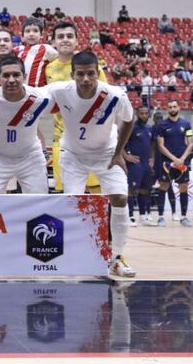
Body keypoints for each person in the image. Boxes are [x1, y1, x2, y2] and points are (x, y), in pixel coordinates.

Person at [44, 51, 135, 277]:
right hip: (73, 155)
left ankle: (117, 257)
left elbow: (129, 119)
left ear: (98, 73)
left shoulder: (115, 94)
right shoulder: (59, 90)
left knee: (120, 198)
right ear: (73, 74)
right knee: (73, 204)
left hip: (106, 153)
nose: (86, 79)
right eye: (81, 74)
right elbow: (29, 94)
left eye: (91, 74)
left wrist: (118, 152)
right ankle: (74, 256)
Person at [0, 56, 52, 194]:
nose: (11, 80)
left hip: (30, 157)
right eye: (6, 75)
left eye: (16, 75)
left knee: (40, 203)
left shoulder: (40, 98)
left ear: (24, 77)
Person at [45, 22, 107, 192]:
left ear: (77, 41)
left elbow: (106, 99)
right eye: (60, 36)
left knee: (97, 193)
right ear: (54, 42)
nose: (65, 40)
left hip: (92, 140)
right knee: (68, 196)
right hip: (62, 139)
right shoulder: (48, 68)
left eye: (69, 36)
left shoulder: (92, 66)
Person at [154, 100, 193, 227]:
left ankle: (183, 217)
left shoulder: (186, 124)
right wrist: (174, 159)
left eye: (174, 106)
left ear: (179, 107)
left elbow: (191, 143)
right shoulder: (162, 125)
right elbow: (160, 146)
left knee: (183, 188)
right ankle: (161, 217)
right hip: (167, 162)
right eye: (170, 106)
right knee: (163, 187)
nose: (172, 108)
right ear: (167, 109)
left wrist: (182, 158)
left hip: (183, 161)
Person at [124, 106, 157, 227]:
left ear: (149, 115)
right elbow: (120, 142)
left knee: (145, 190)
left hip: (146, 164)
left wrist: (152, 158)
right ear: (137, 114)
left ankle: (143, 216)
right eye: (141, 113)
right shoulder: (131, 127)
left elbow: (153, 144)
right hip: (134, 164)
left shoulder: (149, 128)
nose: (144, 115)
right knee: (132, 190)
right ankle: (130, 216)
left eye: (146, 113)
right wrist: (127, 156)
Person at [14, 17, 58, 88]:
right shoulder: (17, 50)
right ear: (22, 36)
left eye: (35, 31)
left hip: (39, 92)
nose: (31, 34)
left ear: (41, 35)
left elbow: (61, 59)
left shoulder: (46, 48)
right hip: (21, 92)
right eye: (27, 31)